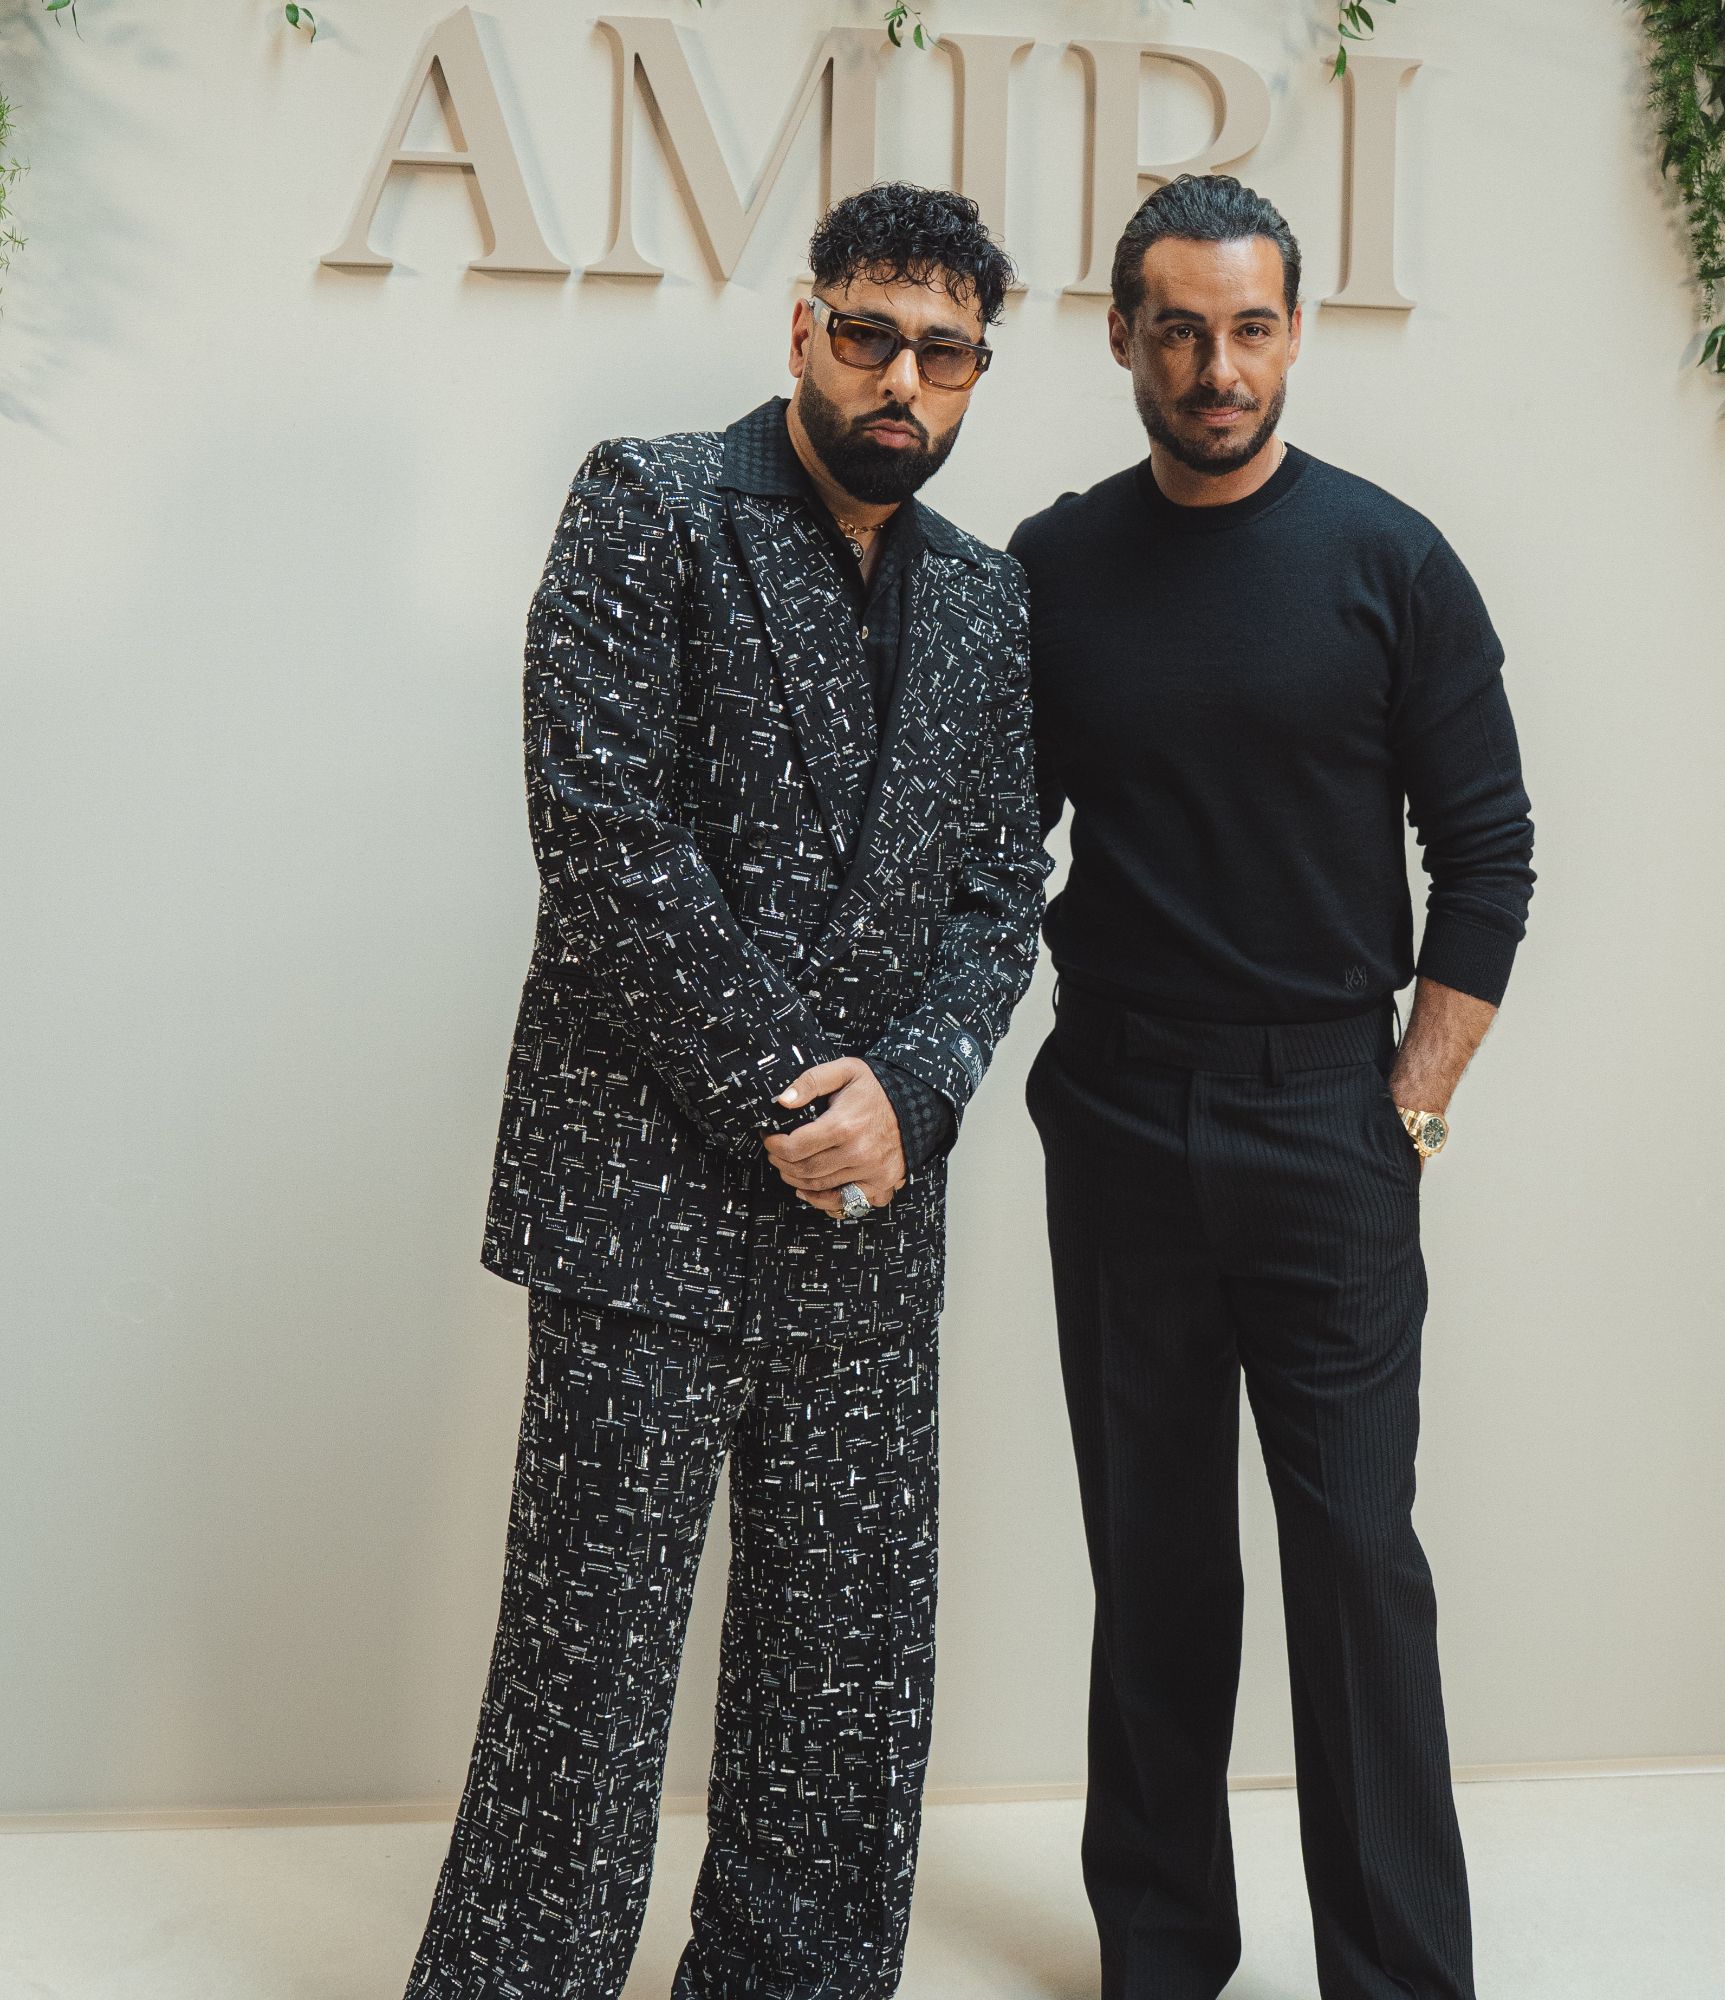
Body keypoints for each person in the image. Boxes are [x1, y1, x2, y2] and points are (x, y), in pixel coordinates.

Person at [405, 182, 1050, 2000]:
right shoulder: (651, 500)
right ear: (802, 328)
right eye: (869, 336)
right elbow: (602, 839)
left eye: (942, 353)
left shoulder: (987, 598)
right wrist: (796, 1098)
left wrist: (911, 1094)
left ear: (976, 371)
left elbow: (1003, 882)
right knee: (585, 1695)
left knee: (843, 1702)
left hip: (871, 1213)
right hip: (643, 1205)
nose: (899, 380)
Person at [1011, 174, 1535, 2000]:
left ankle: (1393, 1974)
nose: (1215, 368)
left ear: (1295, 331)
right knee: (1152, 1560)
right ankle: (1162, 1956)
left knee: (1355, 1562)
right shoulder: (1053, 568)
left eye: (1248, 328)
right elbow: (989, 850)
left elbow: (1488, 856)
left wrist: (1408, 1105)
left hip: (1330, 1117)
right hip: (1116, 1112)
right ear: (1121, 338)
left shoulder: (1391, 561)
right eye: (1178, 330)